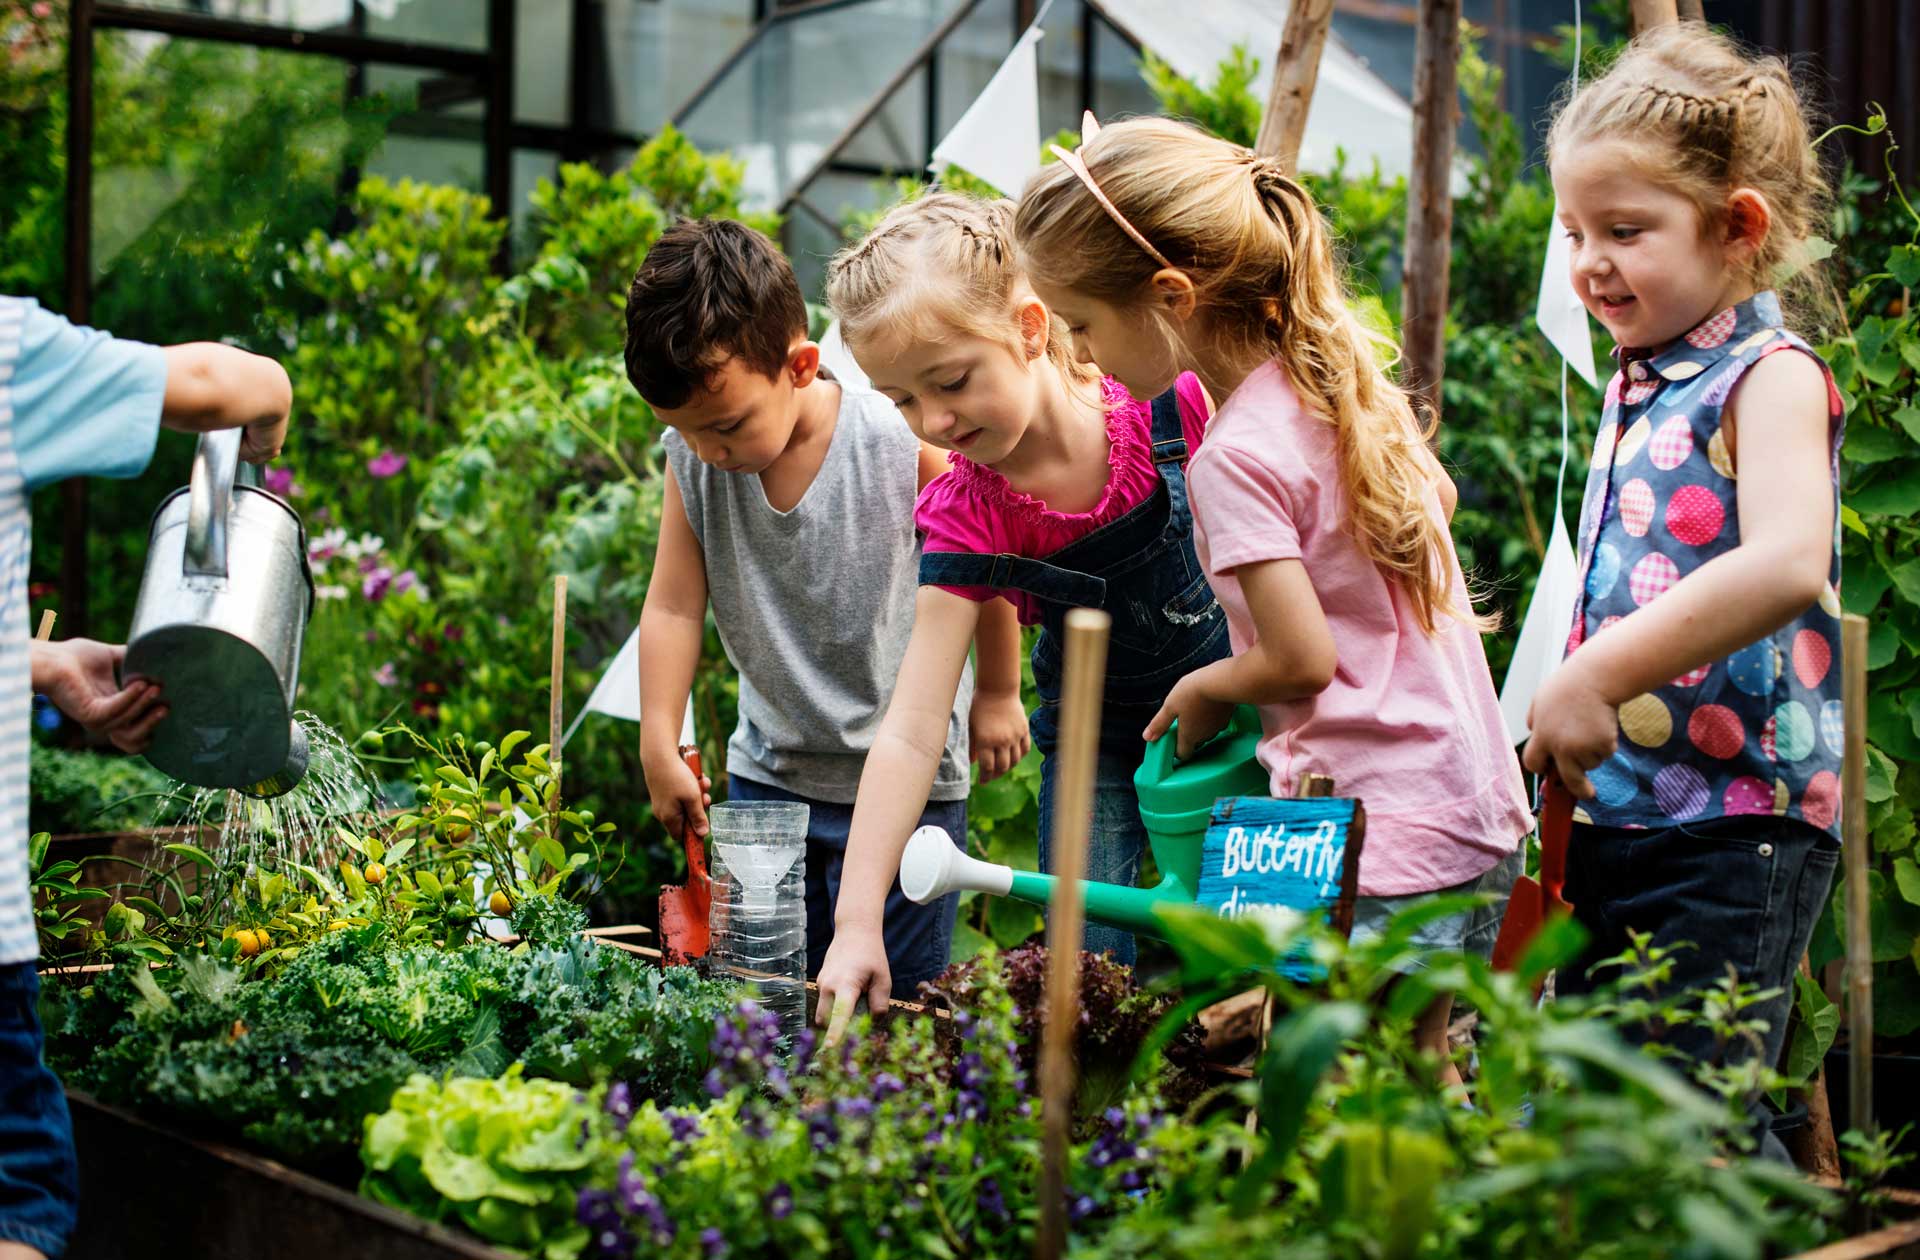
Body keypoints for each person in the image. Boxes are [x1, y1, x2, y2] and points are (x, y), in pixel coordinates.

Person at [1012, 117, 1530, 1083]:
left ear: (1170, 296)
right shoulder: (1335, 384)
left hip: (1373, 827)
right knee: (1426, 1066)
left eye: (1081, 324)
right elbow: (1440, 500)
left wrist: (1211, 684)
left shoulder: (1235, 456)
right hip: (1470, 795)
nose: (1081, 356)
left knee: (1347, 1081)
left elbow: (1300, 659)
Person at [814, 191, 1230, 1019]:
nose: (932, 420)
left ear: (1033, 327)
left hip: (1239, 716)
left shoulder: (1171, 405)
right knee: (1083, 975)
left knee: (1257, 948)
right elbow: (911, 726)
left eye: (951, 381)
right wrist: (855, 921)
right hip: (1097, 739)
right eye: (900, 400)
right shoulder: (969, 512)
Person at [1521, 26, 1843, 1089]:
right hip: (1625, 808)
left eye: (1624, 229)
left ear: (1737, 227)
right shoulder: (1642, 377)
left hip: (1733, 826)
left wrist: (1593, 674)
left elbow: (1792, 560)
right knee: (1613, 1111)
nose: (1589, 264)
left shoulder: (1770, 374)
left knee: (1685, 1123)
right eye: (1572, 232)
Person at [628, 219, 1025, 1000]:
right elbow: (674, 606)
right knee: (760, 1006)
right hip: (768, 780)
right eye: (682, 430)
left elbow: (985, 564)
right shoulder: (695, 462)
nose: (708, 450)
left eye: (727, 425)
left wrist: (999, 692)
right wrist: (656, 738)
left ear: (800, 365)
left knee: (896, 1012)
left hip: (911, 789)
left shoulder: (898, 445)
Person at [1, 294, 291, 1260]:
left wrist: (43, 667)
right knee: (18, 1194)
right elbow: (217, 385)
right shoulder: (8, 352)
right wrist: (271, 389)